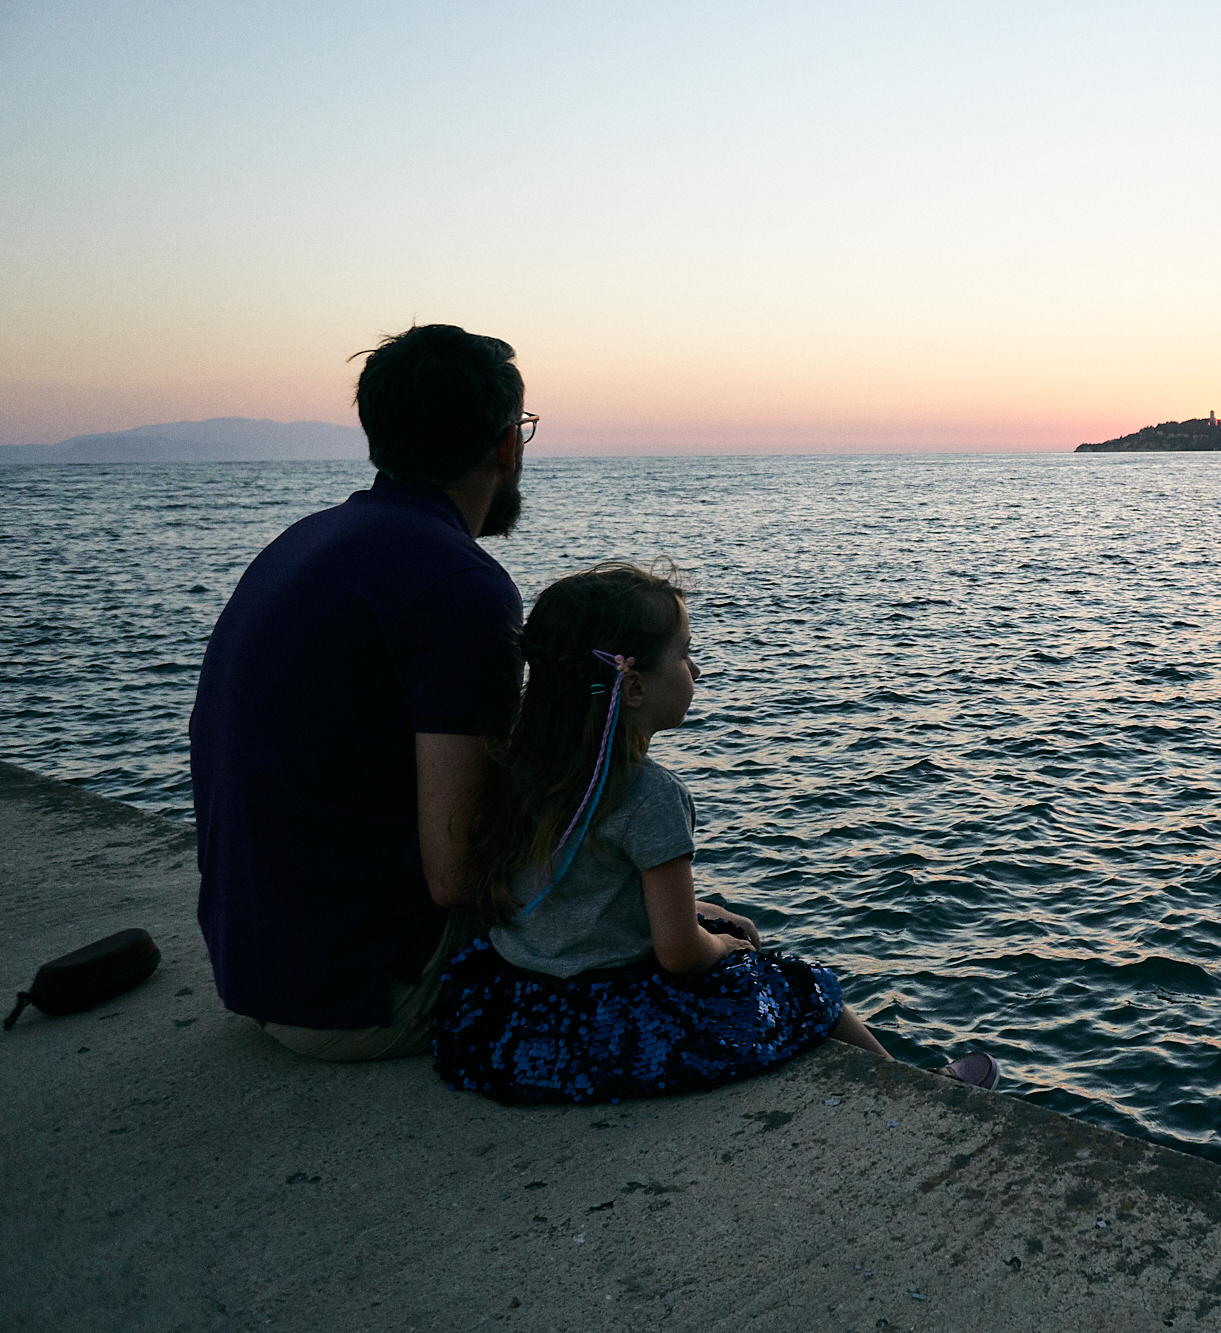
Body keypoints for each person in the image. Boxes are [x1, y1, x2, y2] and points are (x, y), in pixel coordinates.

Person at [431, 562, 898, 1105]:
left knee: (727, 923)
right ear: (632, 688)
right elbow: (678, 952)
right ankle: (921, 1091)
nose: (695, 670)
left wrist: (707, 913)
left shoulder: (519, 769)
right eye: (684, 654)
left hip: (521, 1009)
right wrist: (720, 943)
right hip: (612, 1021)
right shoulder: (649, 794)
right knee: (803, 989)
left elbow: (588, 892)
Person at [190, 324, 530, 1060]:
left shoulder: (306, 541)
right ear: (506, 444)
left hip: (259, 971)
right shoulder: (462, 587)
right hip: (366, 998)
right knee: (695, 951)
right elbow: (457, 872)